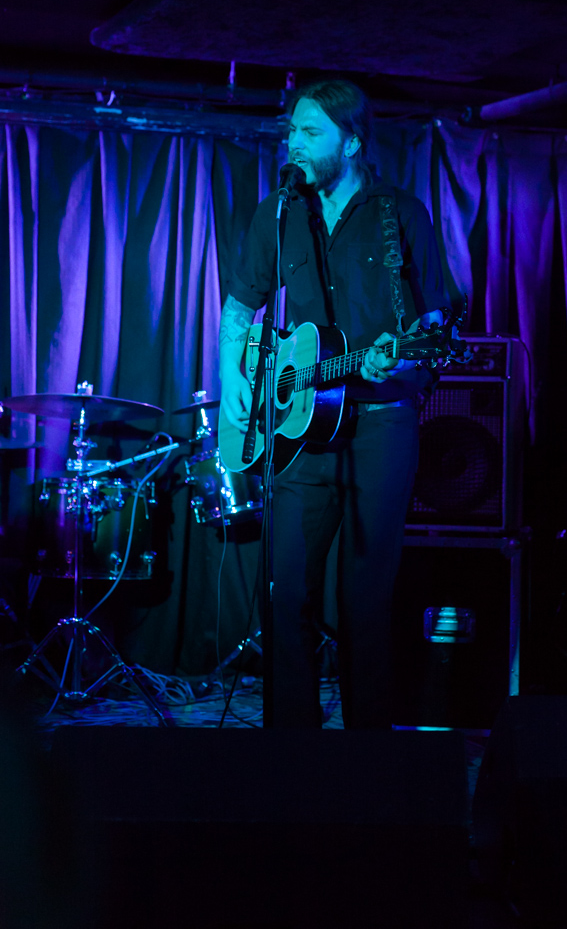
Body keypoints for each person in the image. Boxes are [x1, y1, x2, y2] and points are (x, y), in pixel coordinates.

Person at [219, 79, 452, 728]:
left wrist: (396, 357)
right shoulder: (278, 214)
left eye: (309, 131)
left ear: (351, 141)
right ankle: (291, 754)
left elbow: (435, 322)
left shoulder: (399, 213)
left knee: (364, 600)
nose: (292, 141)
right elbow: (240, 308)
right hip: (297, 432)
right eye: (291, 129)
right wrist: (235, 376)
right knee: (285, 590)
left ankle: (366, 757)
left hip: (379, 425)